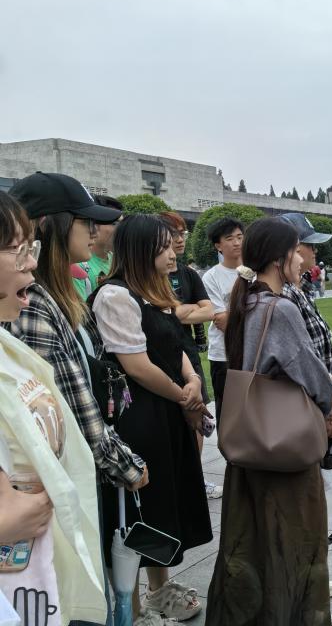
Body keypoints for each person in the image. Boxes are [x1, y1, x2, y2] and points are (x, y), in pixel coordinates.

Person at [206, 217, 332, 626]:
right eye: (295, 251)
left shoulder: (245, 301)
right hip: (284, 451)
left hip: (250, 445)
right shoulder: (279, 308)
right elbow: (310, 371)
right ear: (279, 259)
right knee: (293, 544)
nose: (301, 259)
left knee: (254, 546)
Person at [91, 215, 212, 623]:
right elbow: (137, 366)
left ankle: (159, 590)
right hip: (138, 416)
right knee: (138, 509)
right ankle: (134, 608)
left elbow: (175, 346)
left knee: (163, 503)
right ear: (141, 250)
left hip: (167, 410)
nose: (173, 251)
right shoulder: (114, 296)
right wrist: (184, 395)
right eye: (163, 245)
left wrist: (193, 380)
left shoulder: (154, 291)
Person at [0, 191, 108, 626]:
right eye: (18, 249)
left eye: (32, 247)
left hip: (34, 579)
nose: (31, 263)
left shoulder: (10, 345)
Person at [278, 212, 332, 600]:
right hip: (307, 412)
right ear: (288, 250)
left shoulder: (298, 289)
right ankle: (304, 579)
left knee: (310, 499)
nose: (313, 253)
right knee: (301, 502)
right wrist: (329, 409)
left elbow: (324, 351)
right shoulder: (283, 298)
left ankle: (309, 573)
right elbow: (305, 362)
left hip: (322, 405)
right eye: (307, 246)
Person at [158, 212, 222, 500]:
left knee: (198, 415)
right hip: (162, 358)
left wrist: (173, 311)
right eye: (174, 235)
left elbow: (209, 311)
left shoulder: (189, 274)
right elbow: (157, 311)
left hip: (189, 356)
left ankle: (195, 478)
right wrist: (182, 310)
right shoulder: (149, 277)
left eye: (183, 234)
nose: (180, 240)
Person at [202, 217, 244, 424]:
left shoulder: (256, 272)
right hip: (223, 355)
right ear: (218, 245)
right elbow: (221, 320)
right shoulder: (211, 277)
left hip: (254, 353)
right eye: (229, 238)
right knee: (228, 413)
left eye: (240, 237)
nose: (237, 242)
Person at [72, 196, 123, 301]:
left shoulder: (119, 261)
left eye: (123, 224)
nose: (121, 229)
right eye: (114, 223)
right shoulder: (78, 265)